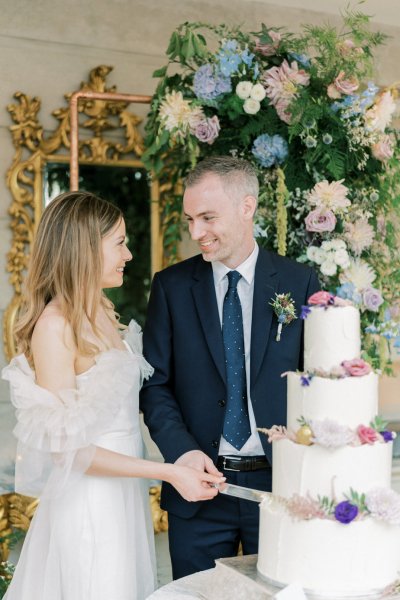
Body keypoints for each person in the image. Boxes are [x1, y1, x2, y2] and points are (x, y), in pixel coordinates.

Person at [1, 191, 225, 600]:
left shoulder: (102, 312)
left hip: (123, 495)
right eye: (119, 243)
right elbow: (68, 451)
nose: (129, 254)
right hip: (89, 504)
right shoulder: (55, 328)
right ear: (85, 248)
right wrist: (169, 472)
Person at [140, 156, 320, 579]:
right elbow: (155, 386)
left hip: (280, 488)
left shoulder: (300, 282)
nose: (196, 233)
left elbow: (317, 379)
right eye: (189, 219)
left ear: (247, 207)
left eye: (207, 217)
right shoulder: (171, 286)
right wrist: (183, 453)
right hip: (198, 491)